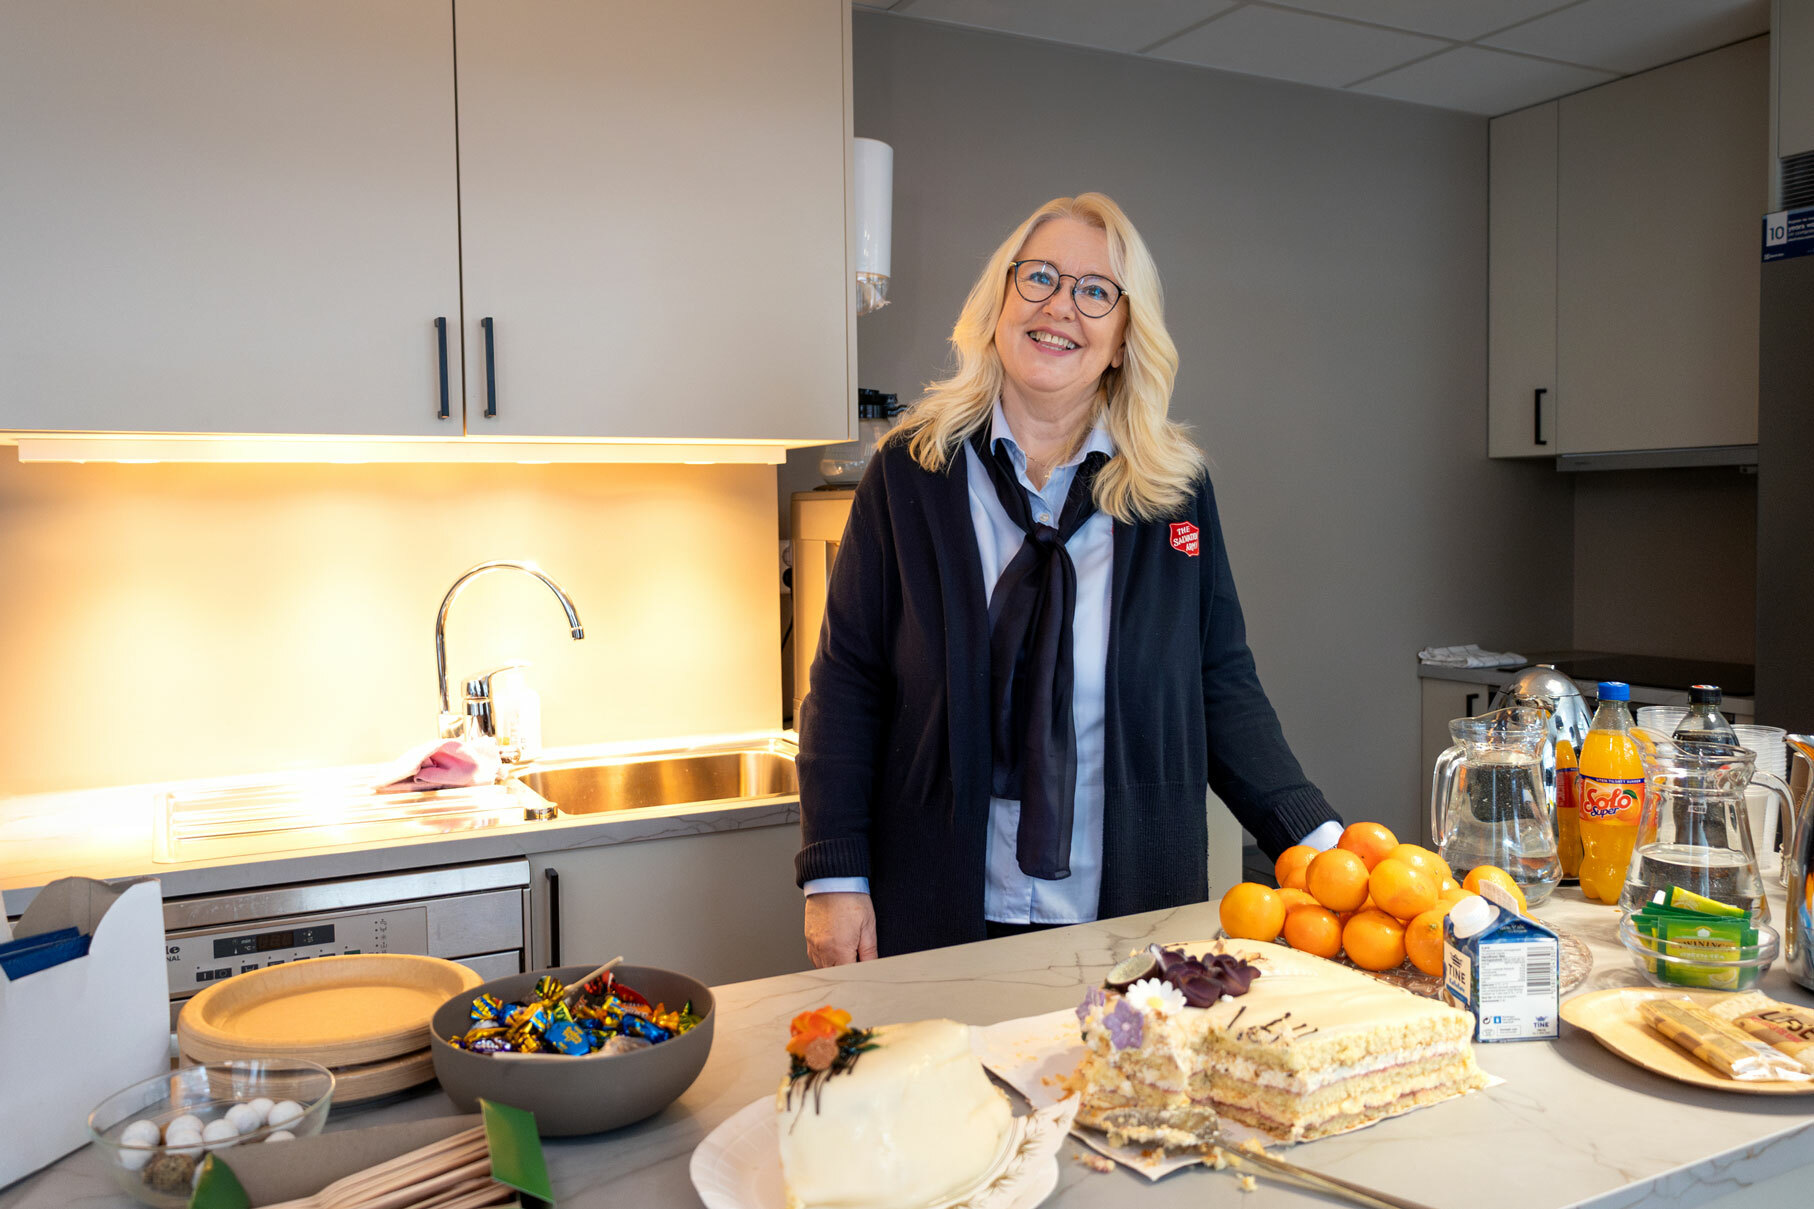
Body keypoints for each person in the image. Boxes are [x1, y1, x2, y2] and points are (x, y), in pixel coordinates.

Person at [796, 193, 1342, 966]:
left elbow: (1219, 682)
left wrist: (1321, 842)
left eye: (1095, 292)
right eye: (1041, 277)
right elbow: (848, 683)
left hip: (1130, 915)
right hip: (937, 909)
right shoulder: (910, 474)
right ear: (1000, 301)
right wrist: (834, 874)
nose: (1061, 306)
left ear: (1123, 337)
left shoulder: (1172, 490)